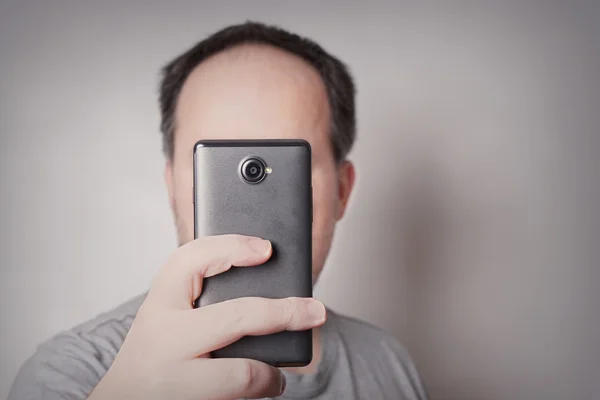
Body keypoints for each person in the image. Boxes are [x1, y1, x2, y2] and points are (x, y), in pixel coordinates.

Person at [8, 22, 428, 400]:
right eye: (220, 171)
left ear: (342, 191)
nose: (254, 210)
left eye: (285, 168)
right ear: (173, 186)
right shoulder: (71, 373)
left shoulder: (387, 362)